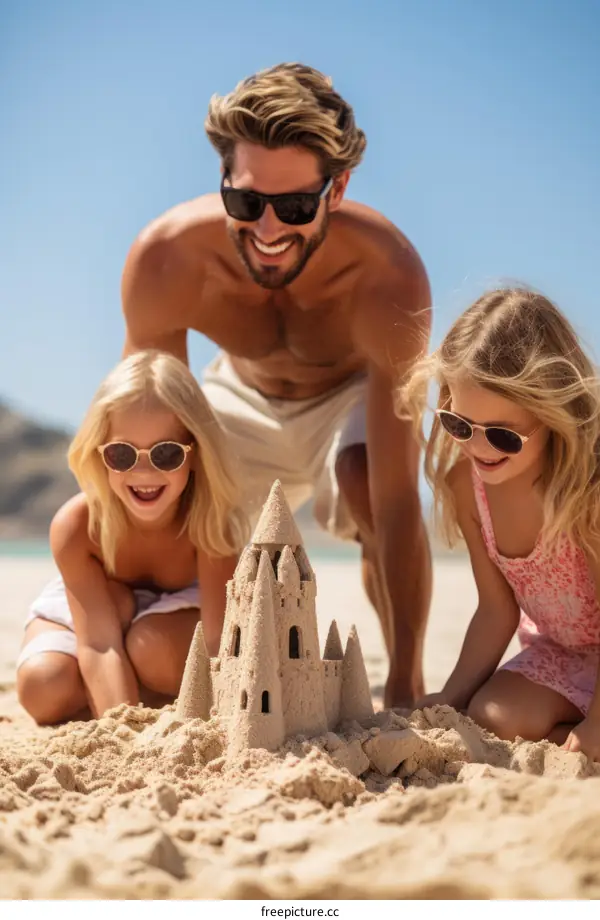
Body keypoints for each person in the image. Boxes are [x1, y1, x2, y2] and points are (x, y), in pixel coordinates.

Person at [120, 62, 432, 707]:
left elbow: (399, 499)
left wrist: (403, 687)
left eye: (294, 207)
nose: (267, 230)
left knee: (368, 481)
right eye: (246, 201)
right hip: (236, 396)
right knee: (170, 477)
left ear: (337, 190)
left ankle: (405, 670)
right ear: (223, 181)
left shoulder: (387, 276)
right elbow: (136, 428)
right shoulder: (168, 257)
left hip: (344, 398)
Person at [400, 287, 600, 760]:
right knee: (491, 715)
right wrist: (450, 699)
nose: (479, 449)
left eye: (504, 435)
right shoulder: (465, 486)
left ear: (553, 415)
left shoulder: (586, 488)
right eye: (460, 426)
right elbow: (496, 610)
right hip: (564, 652)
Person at [17, 350, 248, 725]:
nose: (143, 472)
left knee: (150, 647)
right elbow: (98, 642)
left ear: (196, 451)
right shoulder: (77, 526)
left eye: (166, 453)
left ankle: (137, 680)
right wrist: (125, 732)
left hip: (172, 621)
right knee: (42, 686)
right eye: (122, 454)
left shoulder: (209, 520)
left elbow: (218, 642)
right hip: (92, 609)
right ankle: (123, 690)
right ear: (99, 451)